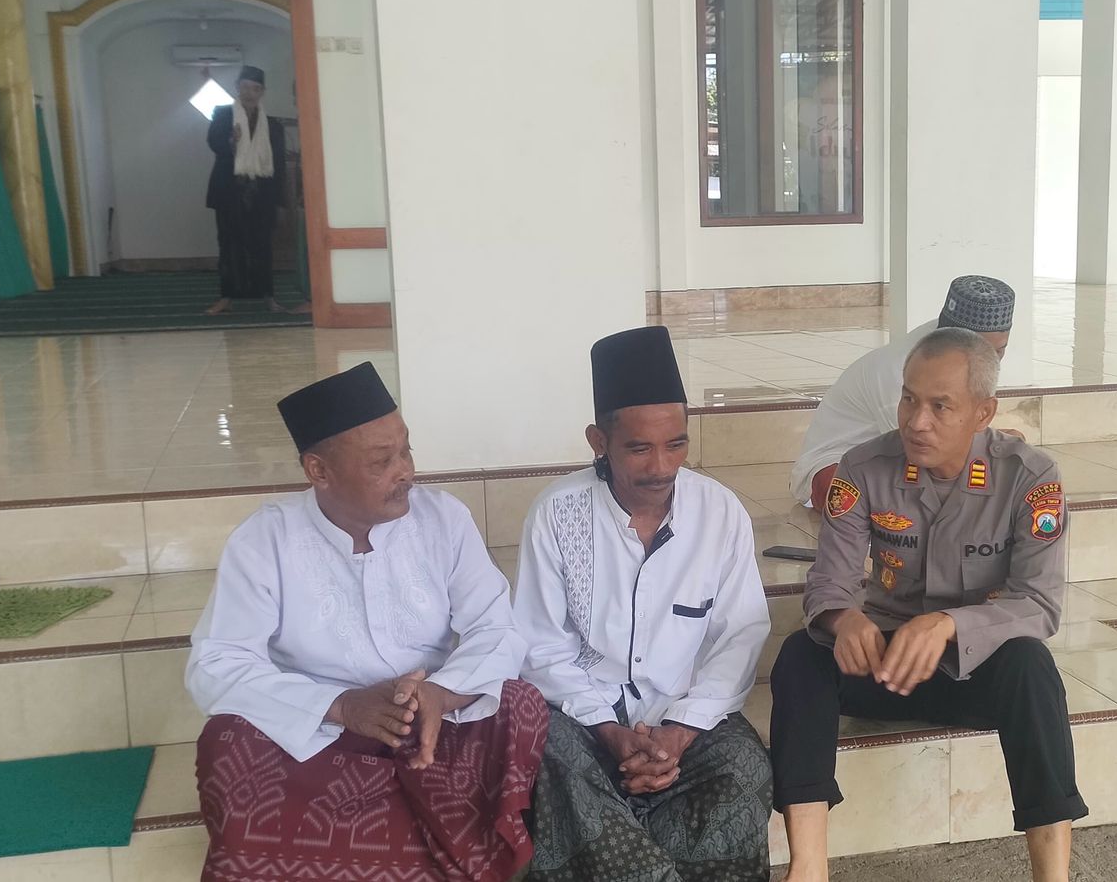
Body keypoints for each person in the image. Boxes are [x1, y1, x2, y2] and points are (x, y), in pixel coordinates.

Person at [185, 363, 547, 882]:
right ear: (319, 471)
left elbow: (498, 628)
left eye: (406, 451)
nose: (406, 472)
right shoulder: (266, 539)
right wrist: (341, 706)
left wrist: (441, 694)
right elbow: (215, 664)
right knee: (227, 742)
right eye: (382, 461)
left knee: (521, 704)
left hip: (433, 727)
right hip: (320, 735)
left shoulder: (443, 519)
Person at [771, 328, 1085, 882]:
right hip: (885, 664)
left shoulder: (1029, 478)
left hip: (975, 670)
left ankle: (1053, 874)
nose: (917, 421)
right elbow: (829, 580)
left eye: (941, 406)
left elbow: (1038, 603)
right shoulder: (862, 468)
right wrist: (844, 619)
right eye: (908, 399)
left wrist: (947, 625)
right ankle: (809, 867)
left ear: (983, 412)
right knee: (800, 656)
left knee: (1032, 667)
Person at [513, 326, 774, 881]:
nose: (661, 466)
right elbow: (539, 646)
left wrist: (679, 731)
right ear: (598, 441)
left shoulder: (720, 512)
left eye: (676, 444)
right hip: (584, 719)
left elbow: (740, 635)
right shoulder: (556, 514)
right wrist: (609, 730)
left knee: (745, 767)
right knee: (552, 757)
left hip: (685, 719)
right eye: (639, 448)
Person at [790, 275, 1018, 510]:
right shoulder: (900, 373)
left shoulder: (957, 351)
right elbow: (920, 452)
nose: (992, 363)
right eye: (985, 353)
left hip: (896, 454)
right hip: (834, 466)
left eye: (999, 351)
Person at [204, 65, 286, 315]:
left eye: (255, 89)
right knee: (229, 244)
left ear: (262, 92)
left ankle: (268, 296)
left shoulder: (273, 125)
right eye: (245, 87)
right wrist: (232, 140)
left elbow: (279, 163)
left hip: (262, 192)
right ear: (236, 88)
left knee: (262, 245)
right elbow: (214, 144)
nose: (250, 93)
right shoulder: (222, 114)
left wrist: (280, 201)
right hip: (230, 191)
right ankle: (227, 297)